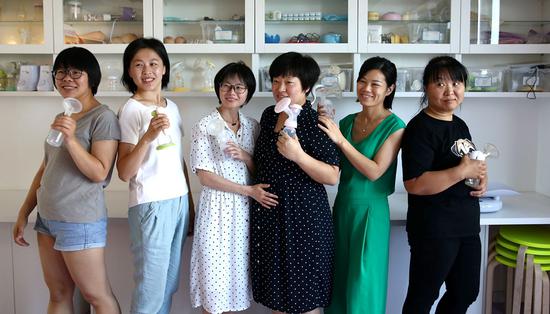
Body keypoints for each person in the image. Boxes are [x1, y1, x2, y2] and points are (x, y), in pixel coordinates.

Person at [12, 47, 121, 313]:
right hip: (48, 219)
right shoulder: (65, 117)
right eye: (60, 72)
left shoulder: (103, 117)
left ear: (91, 77)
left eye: (75, 72)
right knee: (59, 293)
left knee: (97, 295)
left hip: (80, 221)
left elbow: (99, 172)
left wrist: (71, 139)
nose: (66, 78)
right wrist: (24, 211)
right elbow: (46, 169)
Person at [251, 52, 340, 314]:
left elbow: (333, 175)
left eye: (288, 82)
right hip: (271, 220)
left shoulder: (317, 121)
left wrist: (299, 156)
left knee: (305, 301)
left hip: (305, 221)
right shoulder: (269, 116)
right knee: (278, 298)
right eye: (276, 81)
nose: (280, 88)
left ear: (307, 87)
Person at [400, 56, 488, 313]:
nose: (450, 90)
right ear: (426, 88)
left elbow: (468, 163)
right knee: (423, 296)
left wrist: (481, 176)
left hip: (466, 224)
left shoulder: (460, 124)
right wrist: (461, 172)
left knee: (466, 292)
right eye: (440, 84)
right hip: (435, 228)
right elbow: (414, 183)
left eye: (457, 83)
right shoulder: (420, 128)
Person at [189, 61, 278, 314]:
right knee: (214, 285)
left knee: (236, 283)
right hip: (216, 212)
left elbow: (259, 169)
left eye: (239, 87)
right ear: (218, 88)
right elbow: (205, 176)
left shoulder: (253, 126)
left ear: (248, 92)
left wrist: (245, 155)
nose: (232, 92)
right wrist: (249, 191)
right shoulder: (204, 125)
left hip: (244, 215)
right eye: (226, 86)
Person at [319, 56, 405, 314]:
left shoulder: (395, 126)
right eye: (362, 82)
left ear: (389, 89)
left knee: (363, 283)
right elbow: (332, 167)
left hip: (371, 212)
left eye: (375, 84)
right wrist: (323, 124)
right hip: (342, 206)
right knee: (340, 280)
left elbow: (375, 171)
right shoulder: (346, 123)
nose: (366, 88)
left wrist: (340, 141)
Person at [117, 37, 193, 314]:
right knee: (150, 288)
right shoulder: (130, 110)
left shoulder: (172, 107)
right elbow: (124, 171)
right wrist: (147, 136)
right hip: (151, 204)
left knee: (167, 286)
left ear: (164, 69)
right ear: (129, 71)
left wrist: (190, 205)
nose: (146, 70)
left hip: (179, 201)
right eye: (138, 65)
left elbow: (178, 159)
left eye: (153, 63)